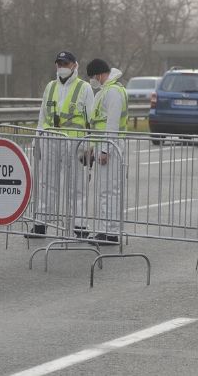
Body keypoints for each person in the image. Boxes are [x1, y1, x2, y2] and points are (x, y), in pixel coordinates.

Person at [26, 50, 94, 238]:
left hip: (75, 143)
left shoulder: (84, 88)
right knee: (47, 184)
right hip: (50, 141)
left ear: (74, 65)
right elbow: (42, 116)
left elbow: (91, 120)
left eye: (65, 64)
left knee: (77, 186)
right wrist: (37, 141)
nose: (62, 68)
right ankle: (40, 225)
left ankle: (80, 227)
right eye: (59, 64)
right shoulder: (50, 87)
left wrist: (91, 146)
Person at [86, 58, 128, 245]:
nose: (92, 80)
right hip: (107, 146)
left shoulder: (113, 92)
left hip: (111, 148)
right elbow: (98, 125)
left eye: (93, 76)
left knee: (109, 191)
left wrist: (105, 150)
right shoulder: (106, 91)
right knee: (105, 191)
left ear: (99, 74)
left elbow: (111, 125)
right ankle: (106, 230)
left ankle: (109, 232)